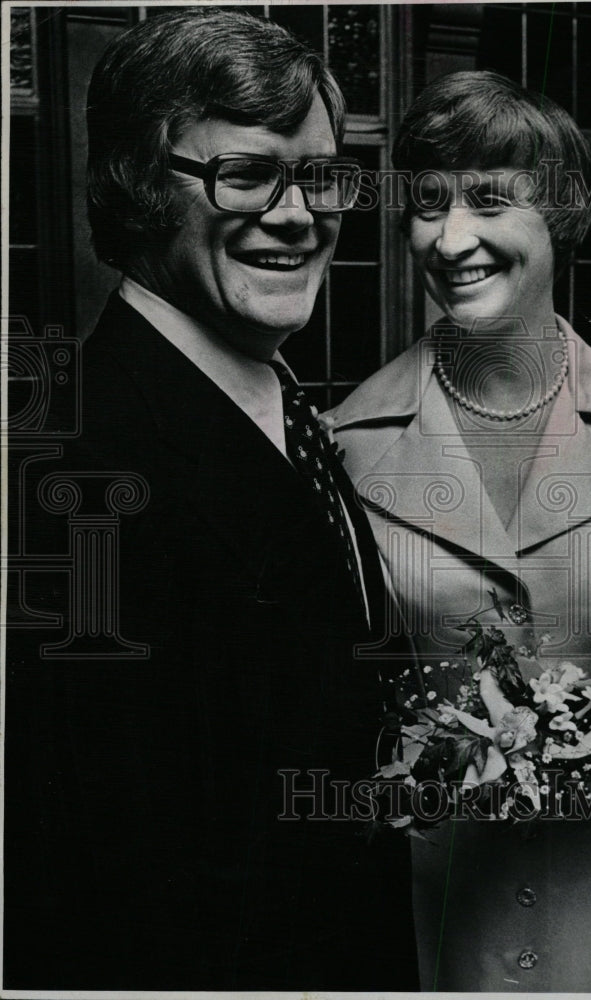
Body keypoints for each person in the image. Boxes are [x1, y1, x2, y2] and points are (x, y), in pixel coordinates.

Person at [4, 9, 418, 990]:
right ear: (143, 189)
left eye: (319, 175)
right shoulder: (79, 474)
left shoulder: (281, 403)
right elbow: (104, 893)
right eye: (245, 174)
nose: (297, 214)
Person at [326, 70, 591, 992]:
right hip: (434, 877)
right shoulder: (347, 440)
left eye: (491, 201)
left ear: (563, 216)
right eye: (428, 204)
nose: (452, 237)